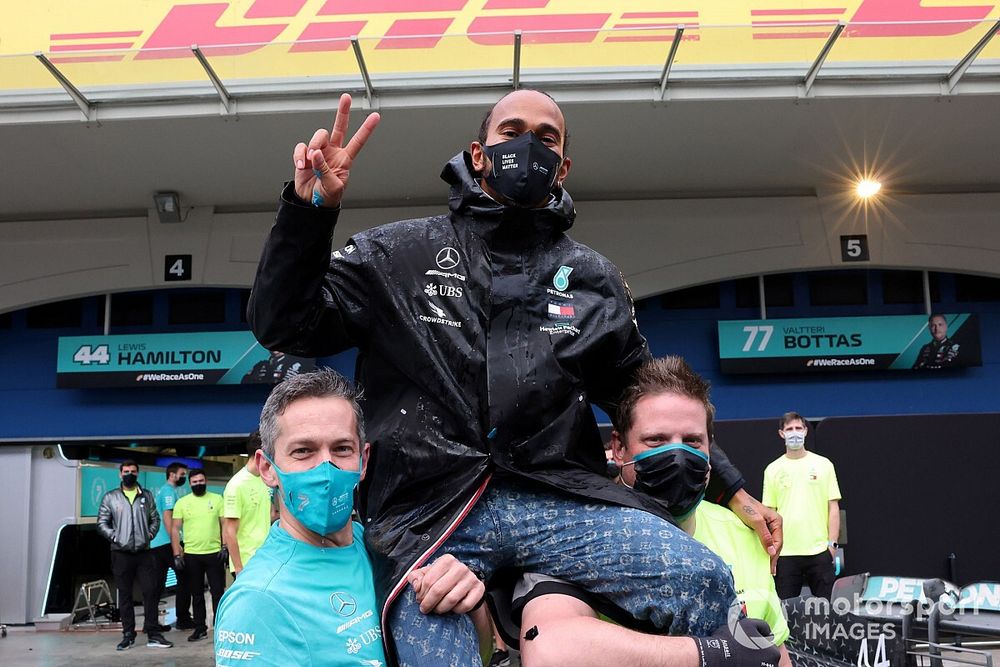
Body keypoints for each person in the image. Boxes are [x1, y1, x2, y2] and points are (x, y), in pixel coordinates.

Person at [248, 90, 780, 665]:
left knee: (702, 577)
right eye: (511, 131)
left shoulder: (592, 278)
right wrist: (309, 213)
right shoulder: (396, 255)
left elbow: (648, 399)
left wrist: (732, 488)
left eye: (546, 138)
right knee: (440, 653)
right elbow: (286, 323)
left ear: (563, 166)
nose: (528, 145)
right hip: (430, 518)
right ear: (478, 154)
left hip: (556, 501)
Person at [491, 357, 788, 667]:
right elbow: (551, 651)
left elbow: (776, 656)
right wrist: (714, 653)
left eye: (692, 441)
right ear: (619, 449)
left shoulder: (747, 534)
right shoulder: (572, 537)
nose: (677, 455)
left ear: (709, 448)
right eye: (656, 440)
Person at [214, 369, 485, 666]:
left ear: (363, 460)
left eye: (341, 448)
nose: (326, 468)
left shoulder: (389, 547)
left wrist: (466, 602)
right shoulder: (257, 602)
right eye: (303, 451)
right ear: (267, 469)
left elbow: (479, 656)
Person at [763, 412, 842, 600]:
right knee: (785, 613)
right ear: (782, 434)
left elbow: (833, 508)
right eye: (789, 429)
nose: (794, 433)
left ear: (806, 431)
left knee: (828, 609)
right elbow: (769, 513)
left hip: (819, 551)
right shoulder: (772, 469)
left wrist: (832, 545)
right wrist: (774, 549)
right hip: (786, 553)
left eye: (798, 428)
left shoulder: (824, 465)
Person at [96, 460, 173, 650]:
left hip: (144, 553)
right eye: (126, 471)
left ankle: (153, 633)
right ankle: (128, 634)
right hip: (121, 554)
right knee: (125, 596)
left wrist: (149, 534)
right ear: (120, 474)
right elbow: (102, 522)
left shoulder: (146, 496)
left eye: (133, 471)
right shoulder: (111, 497)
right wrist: (115, 536)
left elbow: (154, 518)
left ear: (137, 474)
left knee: (151, 592)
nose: (129, 474)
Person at [170, 468, 226, 642]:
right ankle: (200, 628)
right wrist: (177, 554)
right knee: (197, 594)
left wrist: (225, 546)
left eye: (201, 481)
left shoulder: (217, 499)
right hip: (192, 555)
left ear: (206, 481)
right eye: (195, 482)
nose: (198, 484)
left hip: (214, 553)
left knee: (218, 592)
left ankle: (220, 628)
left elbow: (224, 523)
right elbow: (175, 528)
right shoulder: (182, 502)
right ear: (190, 483)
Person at [150, 462, 194, 631]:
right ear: (172, 474)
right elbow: (168, 518)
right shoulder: (168, 492)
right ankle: (183, 618)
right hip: (166, 543)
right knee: (184, 579)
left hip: (159, 544)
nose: (184, 476)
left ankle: (152, 622)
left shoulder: (166, 491)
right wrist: (176, 544)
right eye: (182, 474)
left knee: (158, 584)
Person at [223, 433, 272, 577]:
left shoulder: (266, 479)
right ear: (260, 454)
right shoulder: (236, 485)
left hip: (266, 559)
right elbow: (229, 531)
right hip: (247, 565)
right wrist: (239, 569)